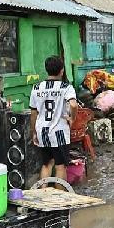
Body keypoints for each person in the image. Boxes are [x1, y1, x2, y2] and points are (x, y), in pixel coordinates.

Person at [29, 57, 77, 186]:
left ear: (46, 70)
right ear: (62, 71)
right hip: (59, 132)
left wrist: (34, 132)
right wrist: (72, 118)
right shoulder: (66, 87)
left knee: (46, 164)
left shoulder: (37, 87)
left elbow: (33, 113)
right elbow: (73, 105)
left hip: (42, 131)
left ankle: (43, 195)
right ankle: (60, 198)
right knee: (60, 166)